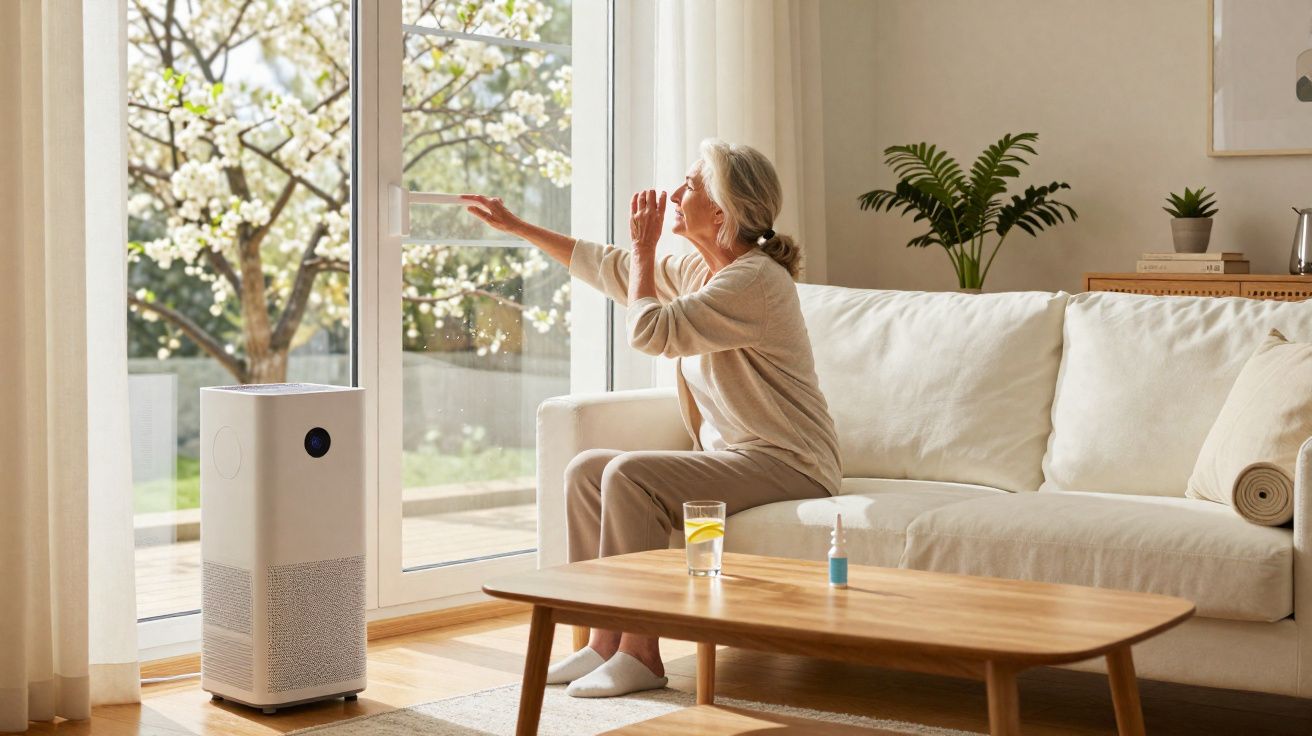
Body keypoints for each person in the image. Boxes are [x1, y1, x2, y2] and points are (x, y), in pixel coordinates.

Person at [463, 138, 841, 698]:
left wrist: (643, 253)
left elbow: (650, 332)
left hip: (793, 461)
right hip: (742, 456)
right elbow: (611, 267)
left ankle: (642, 655)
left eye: (690, 185)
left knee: (631, 475)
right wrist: (520, 227)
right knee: (588, 470)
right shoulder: (703, 270)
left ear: (721, 212)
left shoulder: (755, 281)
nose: (673, 193)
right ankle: (602, 641)